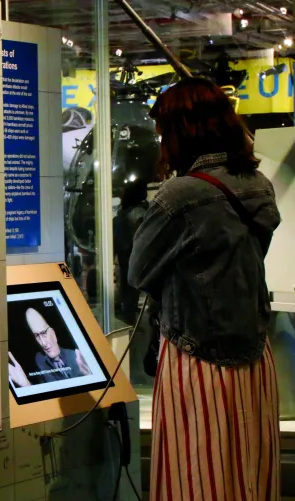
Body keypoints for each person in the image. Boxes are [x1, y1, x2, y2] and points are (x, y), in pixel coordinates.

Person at [128, 78, 281, 501]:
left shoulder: (180, 195)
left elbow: (138, 271)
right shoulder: (257, 184)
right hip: (254, 354)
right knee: (248, 469)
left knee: (195, 476)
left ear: (181, 130)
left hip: (196, 358)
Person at [8, 307, 92, 387]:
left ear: (53, 333)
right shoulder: (39, 361)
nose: (43, 343)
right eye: (37, 336)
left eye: (44, 333)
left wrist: (91, 378)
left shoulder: (76, 357)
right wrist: (26, 384)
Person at [113, 179, 149, 324]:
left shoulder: (123, 214)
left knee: (128, 296)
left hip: (126, 260)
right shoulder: (141, 212)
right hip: (138, 259)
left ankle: (130, 324)